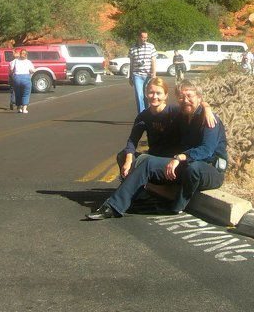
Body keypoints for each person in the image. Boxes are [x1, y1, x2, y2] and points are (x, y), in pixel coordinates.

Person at [87, 80, 227, 219]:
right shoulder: (183, 116)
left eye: (190, 96)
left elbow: (207, 150)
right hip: (185, 163)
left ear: (199, 97)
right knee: (147, 163)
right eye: (181, 97)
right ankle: (113, 207)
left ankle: (175, 206)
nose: (185, 100)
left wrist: (180, 157)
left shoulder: (209, 120)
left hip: (210, 168)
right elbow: (132, 140)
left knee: (195, 168)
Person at [128, 31, 157, 114]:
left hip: (148, 75)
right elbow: (131, 63)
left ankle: (148, 112)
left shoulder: (151, 46)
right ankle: (141, 114)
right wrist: (130, 77)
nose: (144, 39)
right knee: (139, 95)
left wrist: (154, 74)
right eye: (143, 37)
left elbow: (153, 60)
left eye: (146, 38)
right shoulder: (132, 48)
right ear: (138, 37)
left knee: (147, 95)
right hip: (137, 75)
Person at [10, 48, 35, 114]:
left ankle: (19, 108)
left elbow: (11, 69)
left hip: (17, 78)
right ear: (26, 55)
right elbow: (32, 70)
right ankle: (24, 109)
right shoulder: (28, 62)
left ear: (20, 54)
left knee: (18, 94)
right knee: (26, 93)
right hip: (26, 78)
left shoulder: (15, 61)